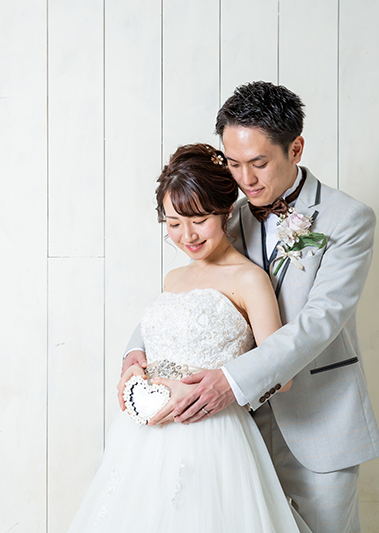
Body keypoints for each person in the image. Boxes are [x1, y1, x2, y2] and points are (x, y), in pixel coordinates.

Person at [123, 81, 379, 532]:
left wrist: (232, 381)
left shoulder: (348, 219)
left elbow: (320, 321)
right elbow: (185, 296)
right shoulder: (224, 216)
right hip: (236, 433)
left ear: (295, 148)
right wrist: (134, 353)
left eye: (259, 163)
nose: (245, 179)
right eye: (234, 163)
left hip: (320, 422)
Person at [68, 144, 304, 532]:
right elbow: (159, 344)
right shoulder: (173, 278)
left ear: (226, 211)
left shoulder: (249, 279)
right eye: (174, 223)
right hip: (142, 435)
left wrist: (214, 387)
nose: (187, 235)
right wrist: (135, 369)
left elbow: (282, 373)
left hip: (210, 434)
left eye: (199, 220)